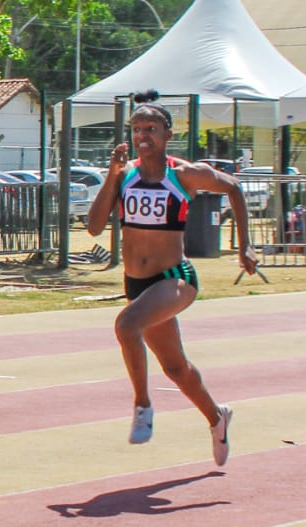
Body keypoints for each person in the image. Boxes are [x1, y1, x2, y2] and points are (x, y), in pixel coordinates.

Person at [85, 90, 258, 467]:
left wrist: (245, 246)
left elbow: (234, 188)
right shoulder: (124, 174)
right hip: (138, 285)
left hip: (175, 278)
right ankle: (217, 418)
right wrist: (111, 178)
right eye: (136, 128)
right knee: (176, 368)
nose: (142, 134)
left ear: (168, 134)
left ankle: (143, 406)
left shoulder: (183, 174)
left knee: (126, 325)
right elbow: (95, 228)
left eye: (151, 128)